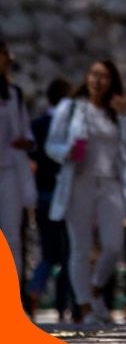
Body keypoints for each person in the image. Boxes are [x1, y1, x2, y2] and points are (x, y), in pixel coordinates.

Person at [44, 60, 126, 325]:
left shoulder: (116, 111)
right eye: (93, 75)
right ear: (87, 78)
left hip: (110, 183)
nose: (97, 81)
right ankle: (85, 307)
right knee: (80, 247)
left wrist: (124, 115)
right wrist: (66, 152)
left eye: (104, 76)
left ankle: (96, 287)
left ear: (112, 82)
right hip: (79, 182)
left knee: (113, 245)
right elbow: (51, 145)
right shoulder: (72, 107)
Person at [28, 77, 75, 322]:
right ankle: (61, 307)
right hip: (65, 195)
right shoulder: (68, 126)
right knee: (66, 253)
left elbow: (31, 162)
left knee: (48, 253)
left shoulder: (37, 125)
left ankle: (34, 290)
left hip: (42, 194)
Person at [0, 41, 37, 305]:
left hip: (9, 170)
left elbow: (27, 134)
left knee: (12, 235)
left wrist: (25, 142)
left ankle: (11, 299)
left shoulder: (13, 94)